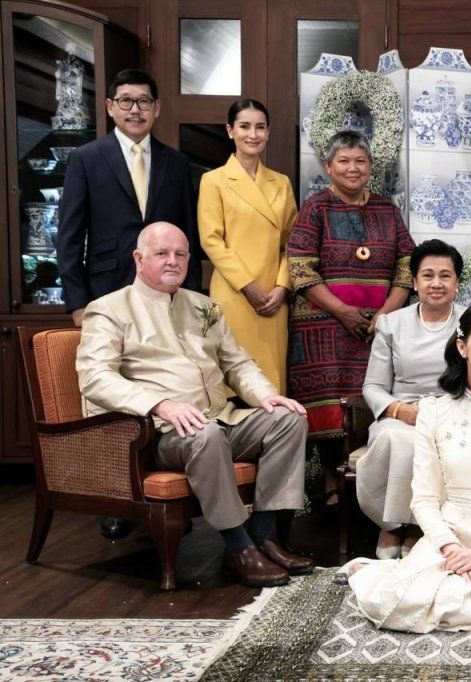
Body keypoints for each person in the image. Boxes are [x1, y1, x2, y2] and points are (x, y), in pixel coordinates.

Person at [76, 223, 313, 587]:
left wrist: (265, 395)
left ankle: (263, 535)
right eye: (162, 254)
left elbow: (237, 363)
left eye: (180, 254)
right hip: (158, 433)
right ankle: (238, 548)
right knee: (206, 435)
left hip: (218, 419)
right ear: (138, 258)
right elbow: (94, 377)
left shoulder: (205, 306)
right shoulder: (108, 309)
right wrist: (160, 404)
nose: (173, 261)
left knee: (288, 418)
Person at [56, 68, 201, 540]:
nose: (135, 109)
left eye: (143, 101)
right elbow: (69, 234)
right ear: (110, 107)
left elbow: (188, 235)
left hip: (164, 297)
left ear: (157, 108)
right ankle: (118, 495)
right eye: (126, 100)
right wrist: (78, 302)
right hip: (106, 289)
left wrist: (191, 297)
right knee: (110, 394)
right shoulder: (87, 158)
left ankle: (169, 490)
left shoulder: (176, 162)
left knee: (163, 380)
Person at [337, 303, 471, 633]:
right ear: (462, 347)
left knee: (458, 601)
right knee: (396, 600)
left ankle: (381, 571)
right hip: (446, 539)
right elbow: (424, 499)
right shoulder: (433, 411)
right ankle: (382, 574)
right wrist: (451, 548)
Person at [287, 131, 414, 502]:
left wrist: (386, 315)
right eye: (343, 161)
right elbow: (300, 268)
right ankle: (332, 482)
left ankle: (372, 485)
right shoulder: (316, 207)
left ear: (370, 166)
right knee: (329, 404)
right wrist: (342, 312)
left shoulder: (387, 209)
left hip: (378, 329)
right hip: (323, 327)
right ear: (328, 166)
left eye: (360, 160)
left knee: (373, 397)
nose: (352, 168)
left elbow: (407, 264)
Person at [357, 239, 463, 559]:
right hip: (400, 413)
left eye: (445, 275)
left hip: (453, 413)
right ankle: (392, 524)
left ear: (457, 283)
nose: (436, 283)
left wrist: (440, 412)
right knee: (396, 438)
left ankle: (419, 525)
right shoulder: (392, 323)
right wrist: (400, 410)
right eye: (427, 275)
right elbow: (373, 386)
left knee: (432, 440)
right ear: (415, 282)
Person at [198, 99, 297, 393]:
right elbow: (211, 240)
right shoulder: (213, 180)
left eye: (260, 127)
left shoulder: (281, 183)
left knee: (271, 382)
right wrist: (248, 285)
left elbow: (293, 242)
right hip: (234, 293)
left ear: (268, 132)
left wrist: (282, 286)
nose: (252, 135)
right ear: (230, 131)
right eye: (244, 126)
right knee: (233, 380)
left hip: (273, 297)